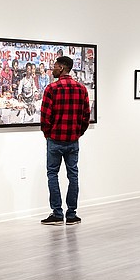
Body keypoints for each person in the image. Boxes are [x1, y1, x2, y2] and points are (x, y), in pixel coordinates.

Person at [39, 55, 90, 225]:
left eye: (54, 66)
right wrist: (77, 133)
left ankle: (57, 213)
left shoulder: (51, 89)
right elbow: (85, 117)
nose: (52, 69)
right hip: (72, 140)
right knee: (73, 175)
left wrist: (48, 135)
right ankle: (72, 214)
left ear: (61, 68)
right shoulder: (81, 89)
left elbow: (45, 117)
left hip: (55, 139)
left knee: (52, 174)